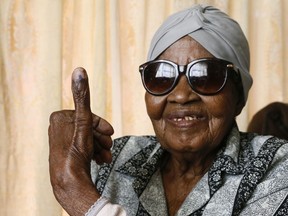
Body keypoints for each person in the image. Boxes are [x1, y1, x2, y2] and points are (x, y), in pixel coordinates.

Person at [48, 5, 288, 216]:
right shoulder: (113, 159)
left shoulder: (275, 168)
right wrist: (71, 154)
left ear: (238, 97)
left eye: (205, 75)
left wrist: (79, 195)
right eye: (161, 76)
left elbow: (75, 190)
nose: (181, 95)